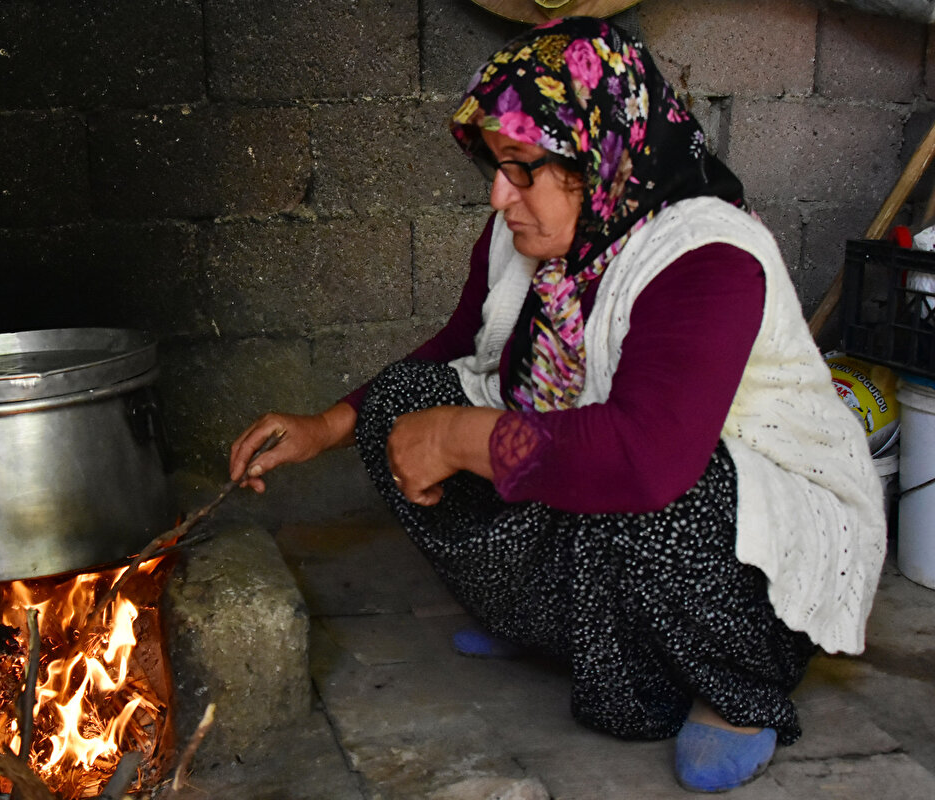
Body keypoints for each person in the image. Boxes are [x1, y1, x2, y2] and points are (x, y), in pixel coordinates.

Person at [229, 16, 885, 793]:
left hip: (737, 557)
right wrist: (325, 428)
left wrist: (463, 436)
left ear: (600, 155)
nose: (502, 195)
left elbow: (647, 458)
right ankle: (564, 635)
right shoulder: (528, 232)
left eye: (524, 167)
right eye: (497, 168)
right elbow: (453, 348)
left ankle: (738, 690)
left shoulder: (708, 257)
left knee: (662, 495)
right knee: (403, 408)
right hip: (601, 514)